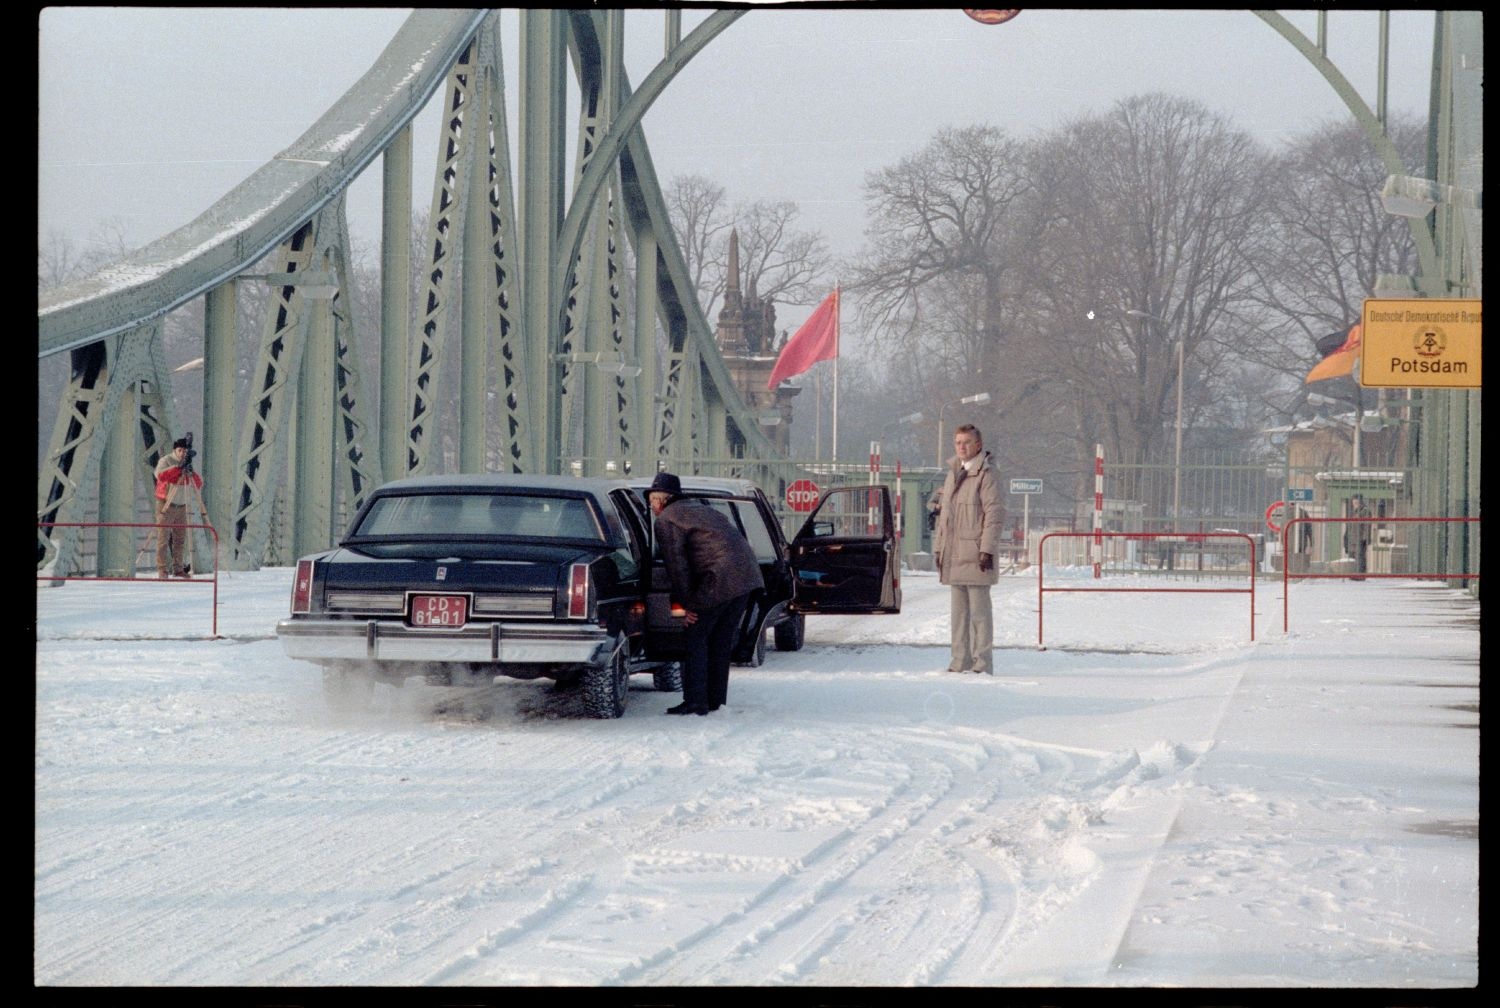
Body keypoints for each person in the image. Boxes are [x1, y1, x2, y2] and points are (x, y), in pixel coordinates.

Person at [648, 472, 765, 715]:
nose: (651, 506)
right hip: (744, 578)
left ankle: (695, 702)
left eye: (651, 501)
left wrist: (687, 604)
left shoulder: (667, 520)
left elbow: (677, 566)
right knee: (720, 641)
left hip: (717, 580)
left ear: (661, 500)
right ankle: (715, 701)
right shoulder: (704, 510)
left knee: (696, 638)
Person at [932, 423, 1004, 674]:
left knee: (980, 616)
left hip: (975, 554)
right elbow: (946, 519)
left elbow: (994, 515)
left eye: (966, 442)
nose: (961, 447)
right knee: (958, 616)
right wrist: (939, 549)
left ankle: (982, 664)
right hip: (954, 554)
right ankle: (959, 661)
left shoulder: (987, 475)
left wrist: (987, 550)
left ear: (978, 445)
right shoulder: (953, 473)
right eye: (957, 442)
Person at [154, 437, 203, 579]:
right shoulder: (166, 461)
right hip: (166, 503)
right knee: (163, 538)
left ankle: (178, 568)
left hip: (181, 505)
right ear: (174, 450)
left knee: (180, 540)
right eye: (180, 450)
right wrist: (177, 468)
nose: (182, 453)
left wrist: (190, 471)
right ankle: (162, 569)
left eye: (184, 451)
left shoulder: (187, 465)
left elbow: (197, 484)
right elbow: (160, 476)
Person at [1344, 494, 1373, 580]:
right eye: (1354, 501)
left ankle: (1360, 575)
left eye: (1357, 501)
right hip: (1352, 539)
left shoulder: (1365, 511)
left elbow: (1367, 526)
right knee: (1353, 558)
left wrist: (1365, 538)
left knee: (1360, 557)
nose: (1355, 502)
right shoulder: (1353, 512)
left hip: (1360, 539)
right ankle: (1354, 575)